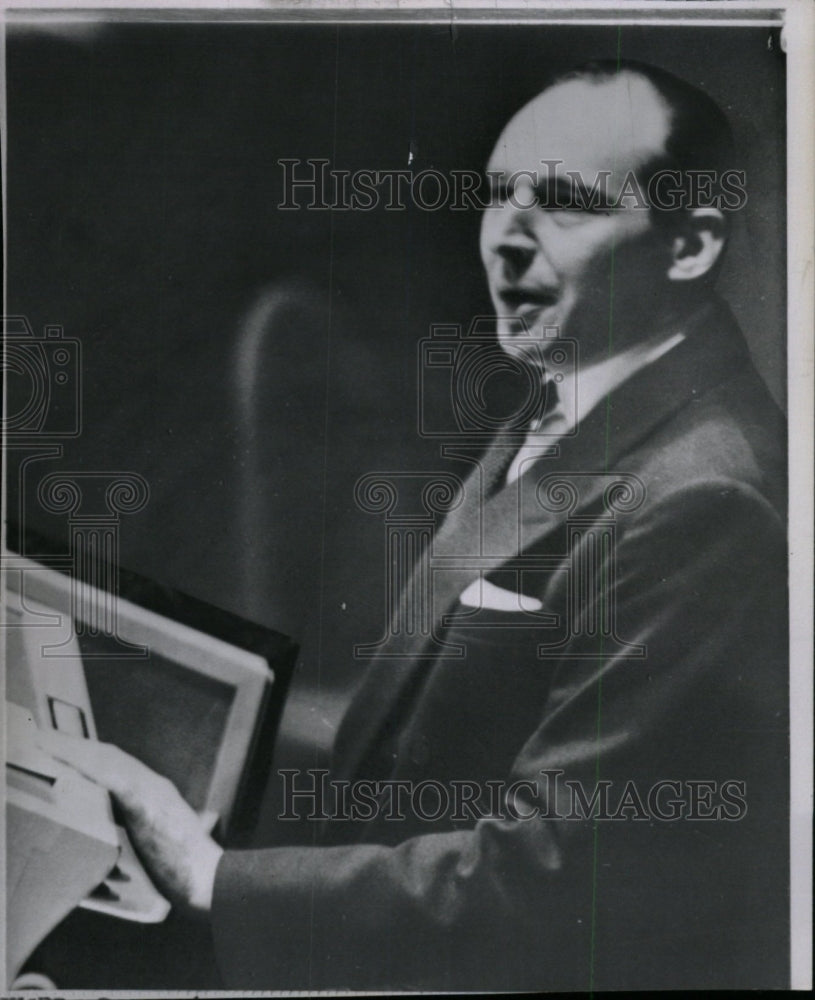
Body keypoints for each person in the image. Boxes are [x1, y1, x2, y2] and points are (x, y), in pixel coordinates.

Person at [40, 60, 789, 991]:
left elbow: (552, 880)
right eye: (495, 196)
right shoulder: (576, 394)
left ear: (688, 246)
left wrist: (216, 880)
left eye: (562, 201)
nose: (506, 239)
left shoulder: (706, 499)